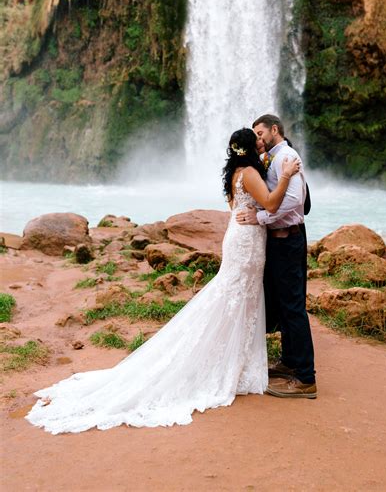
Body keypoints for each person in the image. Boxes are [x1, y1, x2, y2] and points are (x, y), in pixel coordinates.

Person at [25, 128, 300, 434]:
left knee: (236, 298)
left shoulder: (235, 172)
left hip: (240, 237)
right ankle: (230, 366)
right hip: (247, 241)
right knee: (236, 298)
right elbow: (272, 204)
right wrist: (286, 175)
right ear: (250, 148)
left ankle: (234, 363)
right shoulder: (249, 172)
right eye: (258, 140)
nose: (263, 143)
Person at [236, 114, 316, 399]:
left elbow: (295, 199)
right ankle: (290, 361)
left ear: (274, 130)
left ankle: (306, 377)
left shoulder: (287, 157)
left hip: (289, 237)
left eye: (260, 133)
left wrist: (259, 217)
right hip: (278, 240)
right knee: (283, 305)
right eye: (254, 135)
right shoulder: (271, 158)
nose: (258, 139)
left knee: (293, 307)